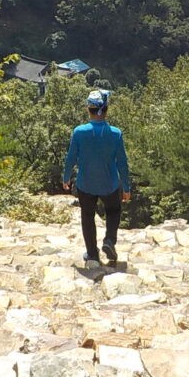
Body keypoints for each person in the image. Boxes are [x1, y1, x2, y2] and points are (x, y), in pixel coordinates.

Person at [62, 89, 131, 267]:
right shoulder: (116, 133)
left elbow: (71, 157)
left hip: (86, 183)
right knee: (113, 212)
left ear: (89, 109)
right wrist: (127, 187)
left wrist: (66, 177)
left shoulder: (79, 132)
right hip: (110, 183)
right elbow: (122, 162)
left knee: (87, 216)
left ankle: (92, 254)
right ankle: (109, 240)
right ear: (106, 110)